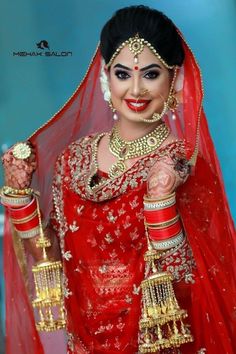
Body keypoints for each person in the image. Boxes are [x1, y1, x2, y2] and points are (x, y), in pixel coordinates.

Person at [1, 5, 235, 354]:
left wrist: (160, 202)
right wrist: (20, 195)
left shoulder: (181, 166)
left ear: (175, 79)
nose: (136, 90)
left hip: (157, 343)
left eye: (151, 74)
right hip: (85, 341)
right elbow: (51, 254)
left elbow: (195, 283)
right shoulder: (73, 160)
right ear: (105, 76)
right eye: (123, 74)